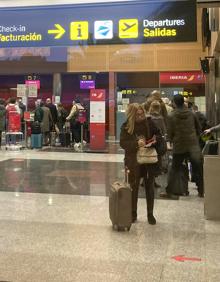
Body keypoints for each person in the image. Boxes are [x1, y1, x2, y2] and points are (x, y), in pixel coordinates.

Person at [120, 103, 163, 225]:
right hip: (133, 161)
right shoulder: (126, 126)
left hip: (148, 161)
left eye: (142, 113)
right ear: (132, 115)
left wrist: (155, 141)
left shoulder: (150, 123)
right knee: (133, 188)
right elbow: (123, 143)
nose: (140, 116)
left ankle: (150, 214)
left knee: (149, 187)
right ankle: (133, 213)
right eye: (137, 114)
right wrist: (135, 143)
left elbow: (159, 135)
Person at [162, 94, 204, 198]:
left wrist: (169, 142)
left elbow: (169, 132)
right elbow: (199, 129)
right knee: (198, 168)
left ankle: (169, 191)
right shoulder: (192, 113)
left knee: (174, 169)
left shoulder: (171, 115)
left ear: (174, 103)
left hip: (179, 145)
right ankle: (201, 191)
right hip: (193, 145)